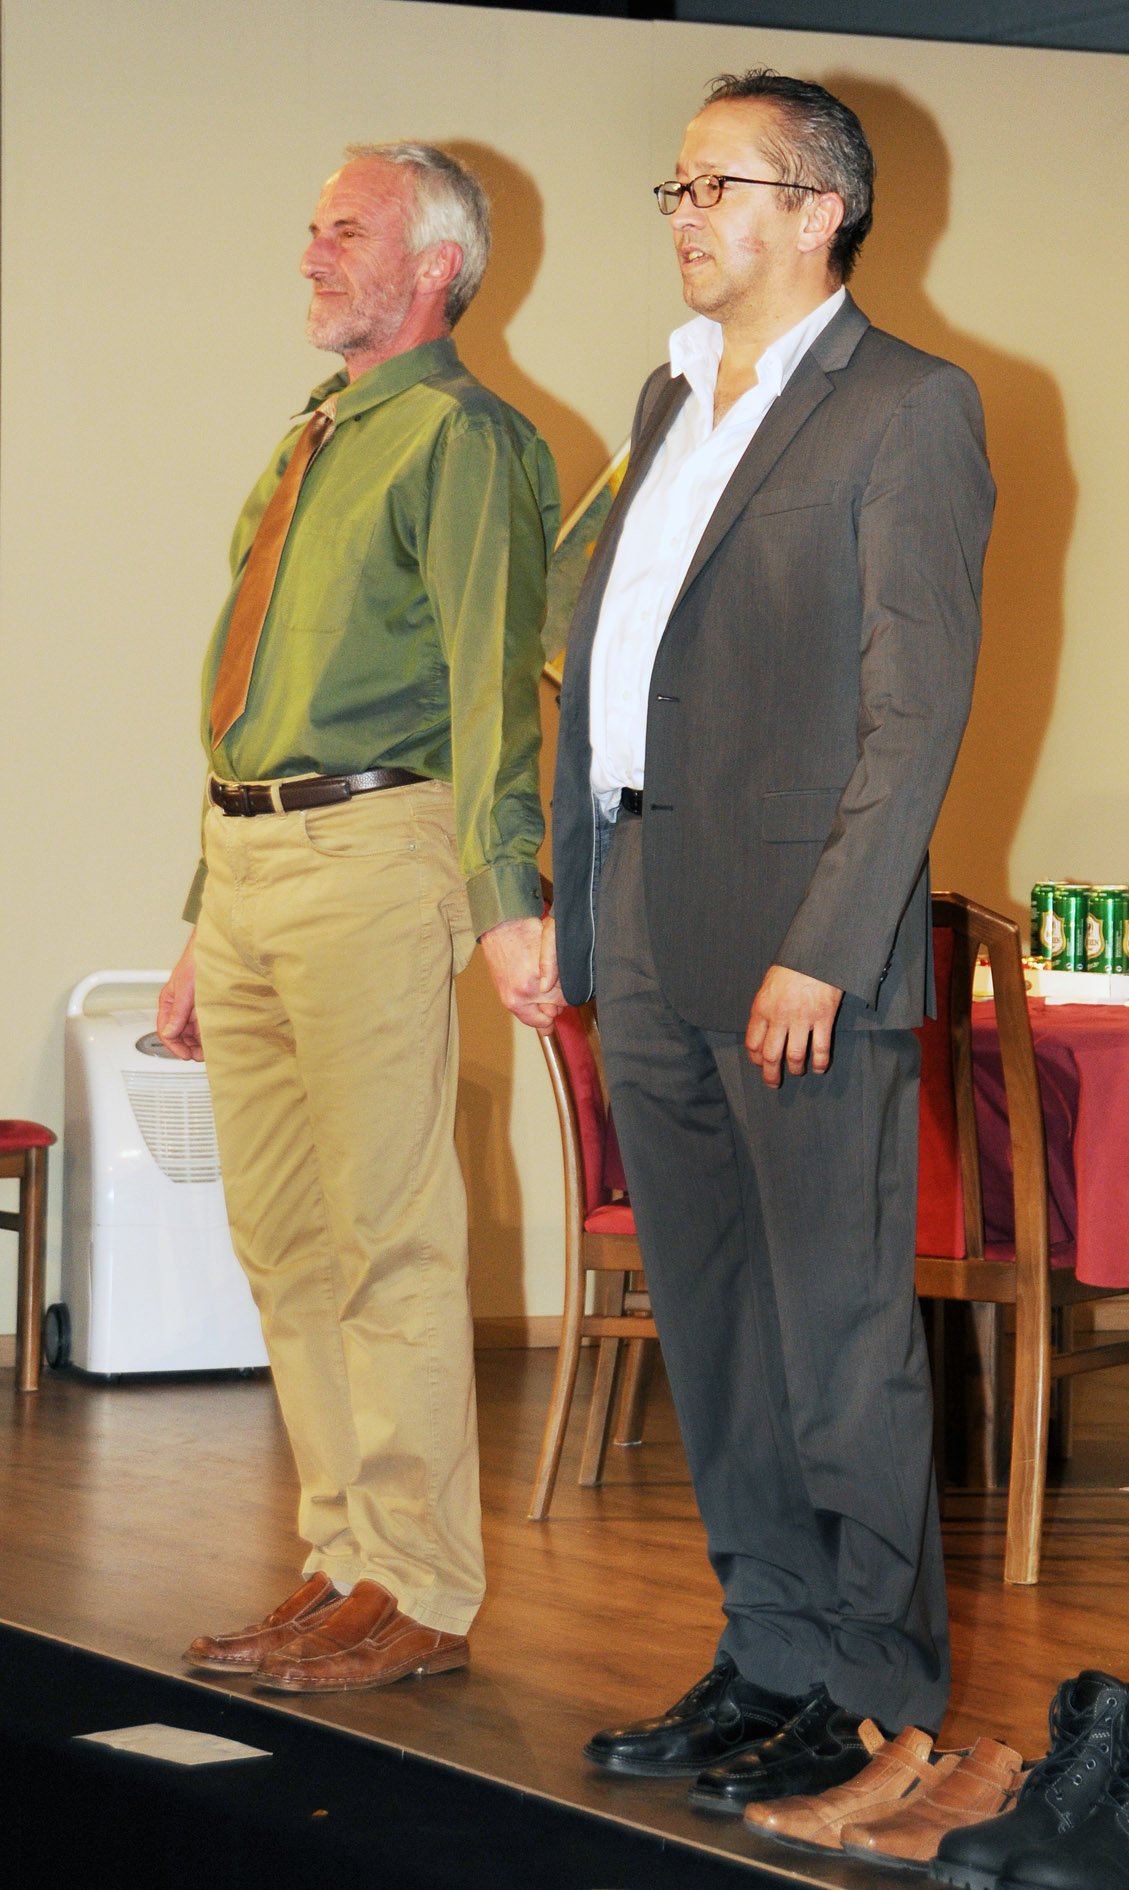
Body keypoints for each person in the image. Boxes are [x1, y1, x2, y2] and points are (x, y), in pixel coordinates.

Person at [551, 70, 994, 1811]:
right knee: (717, 1328)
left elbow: (913, 712)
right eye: (672, 186)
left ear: (819, 211)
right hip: (643, 907)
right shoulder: (668, 395)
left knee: (837, 1332)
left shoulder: (908, 406)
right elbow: (623, 672)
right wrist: (571, 900)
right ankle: (771, 1656)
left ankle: (877, 1702)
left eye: (714, 184)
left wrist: (828, 940)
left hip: (799, 943)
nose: (681, 213)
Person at [158, 142, 562, 1695]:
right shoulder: (317, 433)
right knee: (285, 1241)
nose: (312, 253)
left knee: (389, 1236)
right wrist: (203, 912)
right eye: (314, 228)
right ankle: (342, 1559)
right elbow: (251, 693)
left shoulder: (462, 438)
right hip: (251, 857)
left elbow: (494, 681)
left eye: (347, 230)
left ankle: (421, 1583)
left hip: (376, 845)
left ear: (434, 266)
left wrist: (507, 895)